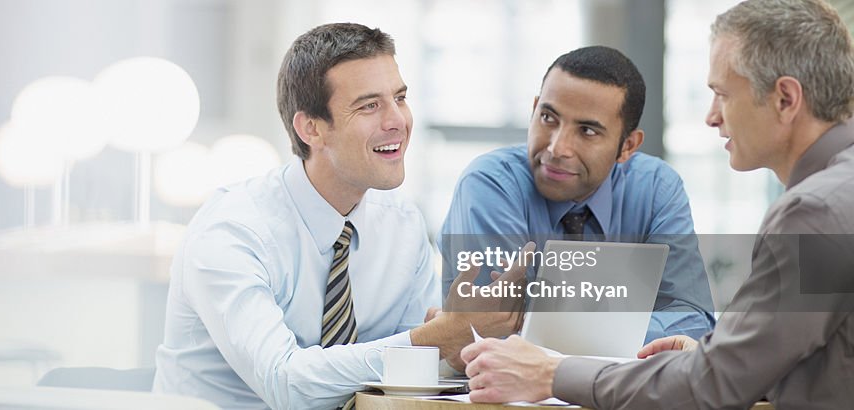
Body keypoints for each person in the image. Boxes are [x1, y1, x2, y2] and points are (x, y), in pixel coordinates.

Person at [460, 0, 854, 408]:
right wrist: (710, 361)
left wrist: (551, 372)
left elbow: (713, 384)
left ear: (786, 99)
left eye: (722, 94)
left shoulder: (817, 212)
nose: (711, 117)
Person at [152, 23, 522, 409]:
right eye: (369, 105)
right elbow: (285, 383)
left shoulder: (401, 223)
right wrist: (433, 339)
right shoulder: (231, 231)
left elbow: (407, 376)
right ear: (311, 128)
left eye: (400, 98)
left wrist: (459, 343)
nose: (398, 120)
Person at [438, 46, 715, 342]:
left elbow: (694, 320)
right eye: (548, 118)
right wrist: (627, 332)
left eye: (587, 131)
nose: (557, 148)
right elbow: (497, 327)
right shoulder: (489, 183)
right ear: (534, 110)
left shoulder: (655, 188)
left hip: (615, 387)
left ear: (628, 146)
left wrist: (563, 329)